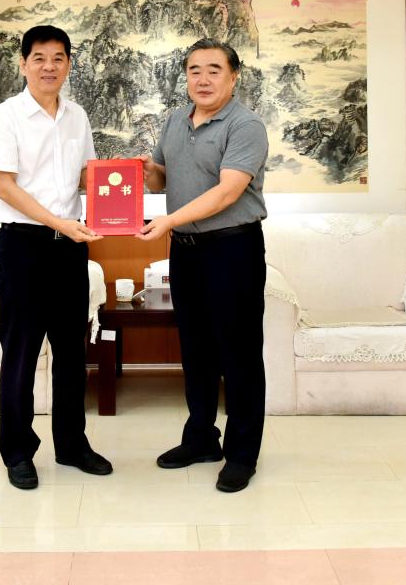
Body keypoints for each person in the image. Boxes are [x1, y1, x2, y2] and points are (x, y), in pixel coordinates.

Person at [0, 25, 112, 490]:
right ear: (23, 64)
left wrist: (123, 180)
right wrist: (59, 222)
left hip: (70, 248)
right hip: (24, 247)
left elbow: (84, 178)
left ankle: (72, 445)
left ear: (69, 64)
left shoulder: (77, 116)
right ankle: (18, 452)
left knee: (72, 354)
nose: (49, 66)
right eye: (39, 58)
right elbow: (6, 186)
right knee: (20, 354)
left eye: (58, 58)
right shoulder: (5, 117)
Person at [137, 38, 268, 493]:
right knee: (196, 350)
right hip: (186, 250)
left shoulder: (246, 125)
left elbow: (228, 191)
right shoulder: (176, 120)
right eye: (195, 70)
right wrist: (145, 171)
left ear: (234, 76)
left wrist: (168, 220)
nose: (204, 79)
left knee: (239, 354)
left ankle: (242, 454)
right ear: (186, 77)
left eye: (214, 70)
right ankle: (200, 439)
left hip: (233, 249)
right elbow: (163, 178)